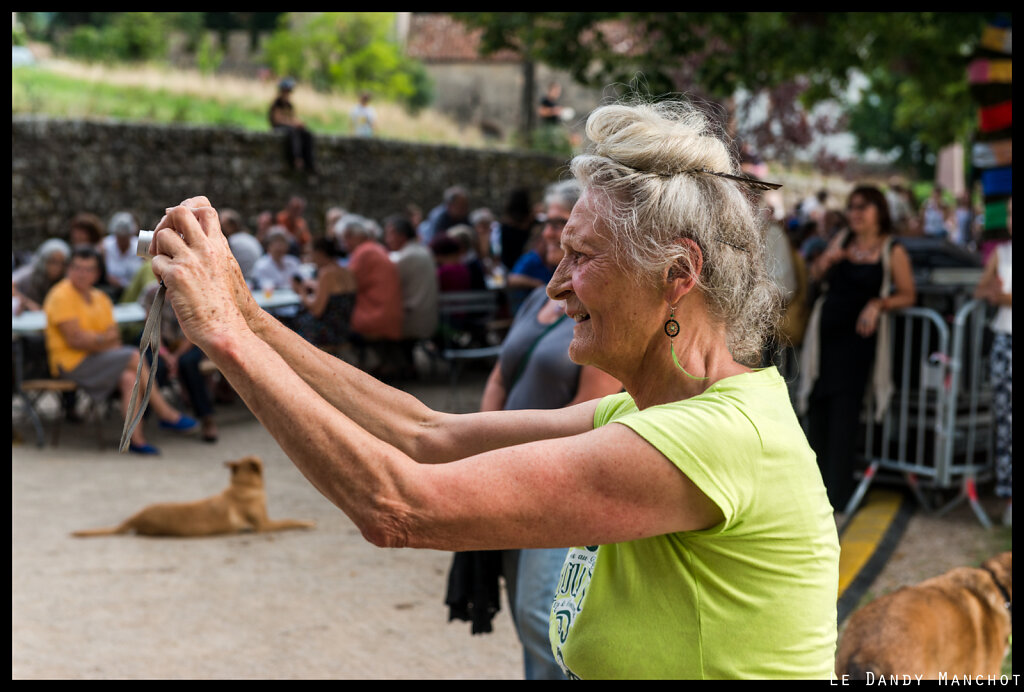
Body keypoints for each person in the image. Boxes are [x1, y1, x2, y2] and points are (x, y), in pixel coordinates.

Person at [147, 96, 841, 679]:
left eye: (581, 256)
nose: (555, 283)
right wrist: (250, 319)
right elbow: (428, 435)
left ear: (678, 275)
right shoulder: (673, 411)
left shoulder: (712, 437)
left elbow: (398, 506)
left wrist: (224, 338)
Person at [458, 179, 623, 680]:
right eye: (548, 222)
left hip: (555, 479)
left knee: (543, 614)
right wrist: (482, 445)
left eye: (562, 222)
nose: (551, 231)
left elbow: (593, 403)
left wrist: (508, 460)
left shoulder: (600, 310)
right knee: (524, 612)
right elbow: (500, 375)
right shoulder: (538, 301)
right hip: (507, 471)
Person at [799, 185, 917, 512]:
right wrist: (831, 258)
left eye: (864, 206)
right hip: (826, 341)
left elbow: (909, 295)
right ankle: (812, 492)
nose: (856, 212)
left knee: (844, 415)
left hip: (857, 345)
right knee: (818, 410)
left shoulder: (892, 249)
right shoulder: (842, 240)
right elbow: (816, 272)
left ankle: (835, 495)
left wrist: (879, 304)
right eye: (852, 206)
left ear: (880, 211)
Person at [43, 247, 196, 455]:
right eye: (77, 268)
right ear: (69, 270)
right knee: (134, 355)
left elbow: (113, 336)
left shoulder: (101, 298)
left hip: (98, 359)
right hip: (71, 364)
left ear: (97, 274)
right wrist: (100, 340)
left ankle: (136, 439)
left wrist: (94, 340)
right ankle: (165, 413)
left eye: (88, 269)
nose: (81, 273)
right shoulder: (60, 295)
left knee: (128, 377)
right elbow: (75, 340)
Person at [139, 281, 220, 443]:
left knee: (188, 364)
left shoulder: (195, 292)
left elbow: (195, 331)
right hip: (161, 342)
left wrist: (174, 357)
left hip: (190, 341)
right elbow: (152, 327)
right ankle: (141, 420)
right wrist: (164, 354)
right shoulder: (152, 292)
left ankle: (206, 417)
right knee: (155, 367)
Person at [973, 196, 1011, 526]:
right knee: (1005, 419)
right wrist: (993, 294)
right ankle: (1008, 494)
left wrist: (1004, 297)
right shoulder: (1001, 253)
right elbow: (980, 290)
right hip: (1004, 339)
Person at [384, 213, 439, 374]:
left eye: (389, 234)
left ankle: (396, 366)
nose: (387, 239)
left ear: (400, 235)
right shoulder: (423, 251)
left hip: (414, 319)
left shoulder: (406, 257)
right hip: (429, 316)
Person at [337, 214, 403, 343]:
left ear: (354, 235)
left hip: (374, 317)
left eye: (346, 238)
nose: (345, 245)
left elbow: (346, 286)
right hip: (390, 315)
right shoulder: (377, 248)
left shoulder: (363, 252)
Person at [290, 237, 357, 348]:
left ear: (319, 253)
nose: (310, 258)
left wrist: (301, 292)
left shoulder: (326, 273)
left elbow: (317, 310)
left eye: (310, 253)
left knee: (290, 325)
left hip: (327, 333)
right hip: (345, 329)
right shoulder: (347, 271)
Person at [269, 77, 316, 173]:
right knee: (293, 133)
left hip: (289, 126)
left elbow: (293, 117)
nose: (287, 94)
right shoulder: (277, 103)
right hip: (279, 128)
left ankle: (309, 161)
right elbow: (277, 120)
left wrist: (299, 123)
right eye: (286, 92)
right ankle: (296, 159)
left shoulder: (289, 105)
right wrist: (292, 123)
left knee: (306, 133)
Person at [12, 238, 71, 312]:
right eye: (53, 262)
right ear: (44, 260)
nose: (57, 267)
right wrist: (26, 302)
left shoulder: (66, 280)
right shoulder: (28, 275)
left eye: (62, 263)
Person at [101, 211, 145, 301]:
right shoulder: (104, 246)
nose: (122, 240)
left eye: (125, 236)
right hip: (112, 290)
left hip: (136, 291)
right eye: (119, 236)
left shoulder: (141, 245)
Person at [219, 208, 264, 285]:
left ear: (232, 225)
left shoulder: (233, 241)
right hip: (258, 280)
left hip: (245, 282)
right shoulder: (249, 237)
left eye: (222, 225)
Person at [250, 227, 302, 292]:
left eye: (282, 241)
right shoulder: (261, 265)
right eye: (276, 241)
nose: (279, 245)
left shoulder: (293, 262)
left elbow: (301, 282)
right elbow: (265, 287)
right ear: (268, 246)